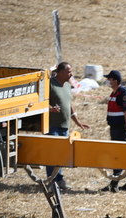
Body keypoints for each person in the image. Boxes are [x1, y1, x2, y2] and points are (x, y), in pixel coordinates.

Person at [46, 62, 90, 191]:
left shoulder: (67, 86)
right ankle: (51, 181)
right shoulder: (50, 85)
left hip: (64, 126)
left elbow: (69, 105)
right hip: (52, 126)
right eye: (69, 71)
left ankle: (59, 179)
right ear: (60, 72)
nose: (71, 74)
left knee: (61, 154)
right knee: (52, 154)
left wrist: (77, 122)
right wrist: (50, 109)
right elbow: (42, 102)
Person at [102, 70, 126, 192]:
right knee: (124, 156)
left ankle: (114, 183)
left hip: (121, 129)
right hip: (115, 128)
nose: (108, 81)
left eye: (109, 79)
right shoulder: (114, 93)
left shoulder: (123, 93)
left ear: (115, 81)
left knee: (118, 156)